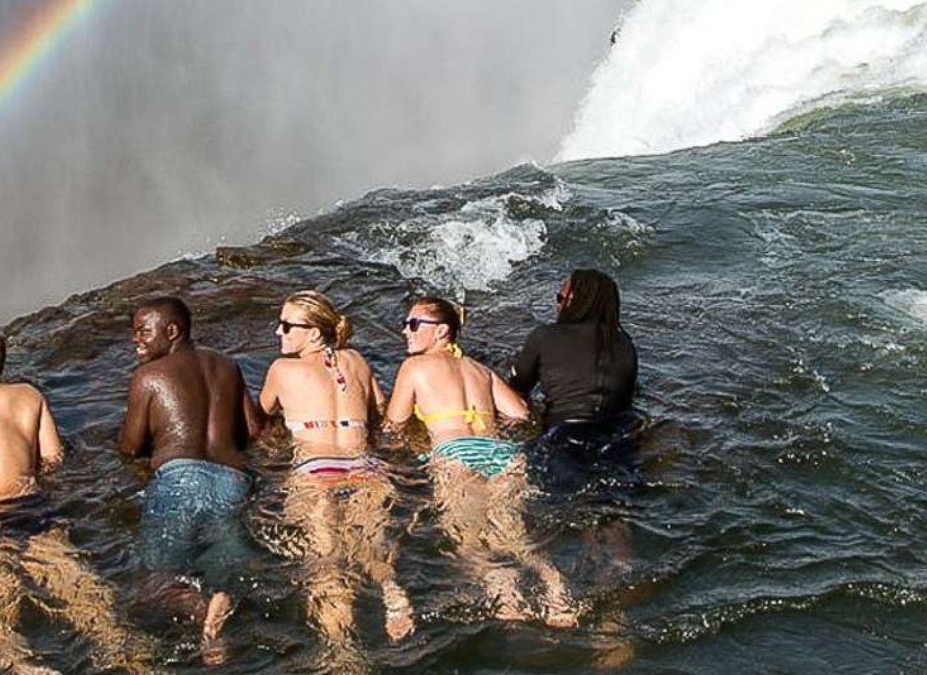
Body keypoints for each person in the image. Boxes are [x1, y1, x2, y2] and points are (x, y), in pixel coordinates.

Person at [0, 325, 140, 672]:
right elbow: (54, 458)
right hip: (30, 510)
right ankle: (131, 659)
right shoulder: (29, 396)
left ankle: (29, 667)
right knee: (89, 601)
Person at [384, 297, 577, 627]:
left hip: (456, 454)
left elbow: (393, 423)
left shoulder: (413, 368)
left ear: (442, 331)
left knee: (468, 542)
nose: (406, 331)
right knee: (514, 536)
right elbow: (519, 413)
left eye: (414, 324)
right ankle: (554, 585)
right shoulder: (480, 370)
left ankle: (505, 590)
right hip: (502, 456)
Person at [257, 289, 414, 646]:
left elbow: (260, 416)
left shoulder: (282, 369)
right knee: (372, 546)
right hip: (366, 466)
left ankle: (342, 651)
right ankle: (391, 590)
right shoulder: (357, 359)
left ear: (313, 333)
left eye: (285, 325)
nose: (278, 333)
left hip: (316, 467)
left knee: (326, 563)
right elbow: (381, 413)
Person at [119, 296, 263, 658]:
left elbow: (131, 447)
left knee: (155, 578)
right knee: (225, 568)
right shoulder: (229, 366)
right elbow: (254, 430)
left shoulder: (149, 376)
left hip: (180, 478)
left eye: (143, 332)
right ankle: (218, 625)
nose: (136, 340)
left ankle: (200, 609)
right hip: (235, 479)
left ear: (171, 331)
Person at [507, 269, 641, 493]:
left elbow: (517, 390)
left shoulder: (545, 335)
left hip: (564, 437)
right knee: (613, 507)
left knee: (567, 502)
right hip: (618, 435)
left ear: (573, 302)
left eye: (560, 298)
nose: (557, 306)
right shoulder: (624, 343)